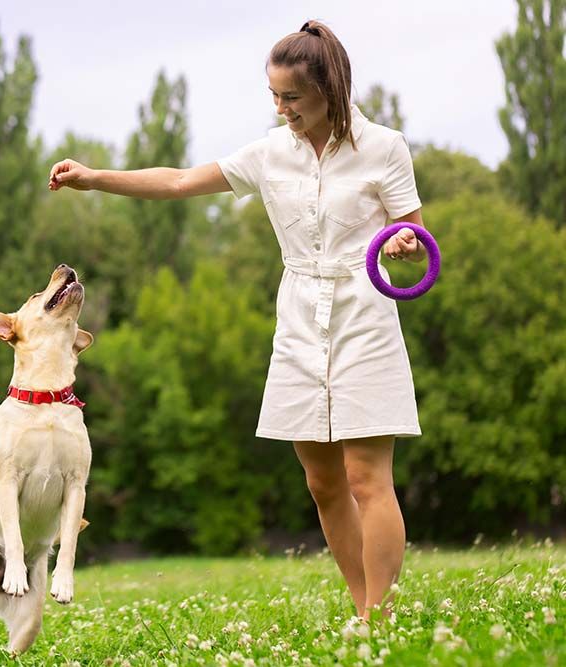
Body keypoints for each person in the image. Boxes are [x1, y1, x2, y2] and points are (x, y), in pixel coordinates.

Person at [48, 19, 426, 620]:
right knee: (323, 483)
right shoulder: (270, 153)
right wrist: (95, 179)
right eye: (273, 96)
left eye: (292, 98)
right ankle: (362, 613)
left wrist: (402, 241)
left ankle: (380, 616)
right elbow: (176, 182)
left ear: (330, 88)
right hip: (300, 317)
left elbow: (413, 230)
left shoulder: (385, 147)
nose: (281, 109)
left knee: (365, 477)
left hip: (364, 314)